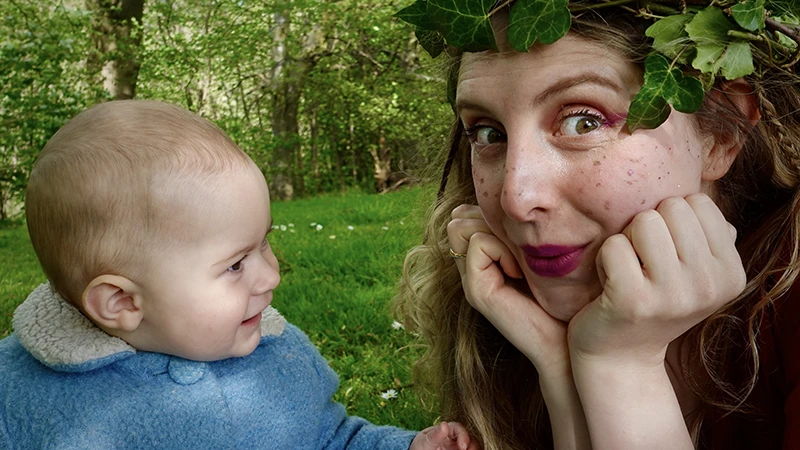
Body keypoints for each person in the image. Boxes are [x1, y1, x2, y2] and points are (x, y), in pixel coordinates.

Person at [395, 2, 800, 449]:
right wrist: (562, 369)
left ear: (723, 135)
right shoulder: (501, 322)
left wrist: (623, 368)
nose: (516, 199)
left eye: (583, 120)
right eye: (489, 133)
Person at [0, 99, 476, 450]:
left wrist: (408, 447)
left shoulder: (280, 354)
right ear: (122, 303)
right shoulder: (20, 394)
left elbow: (330, 439)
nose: (270, 276)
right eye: (235, 264)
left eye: (264, 243)